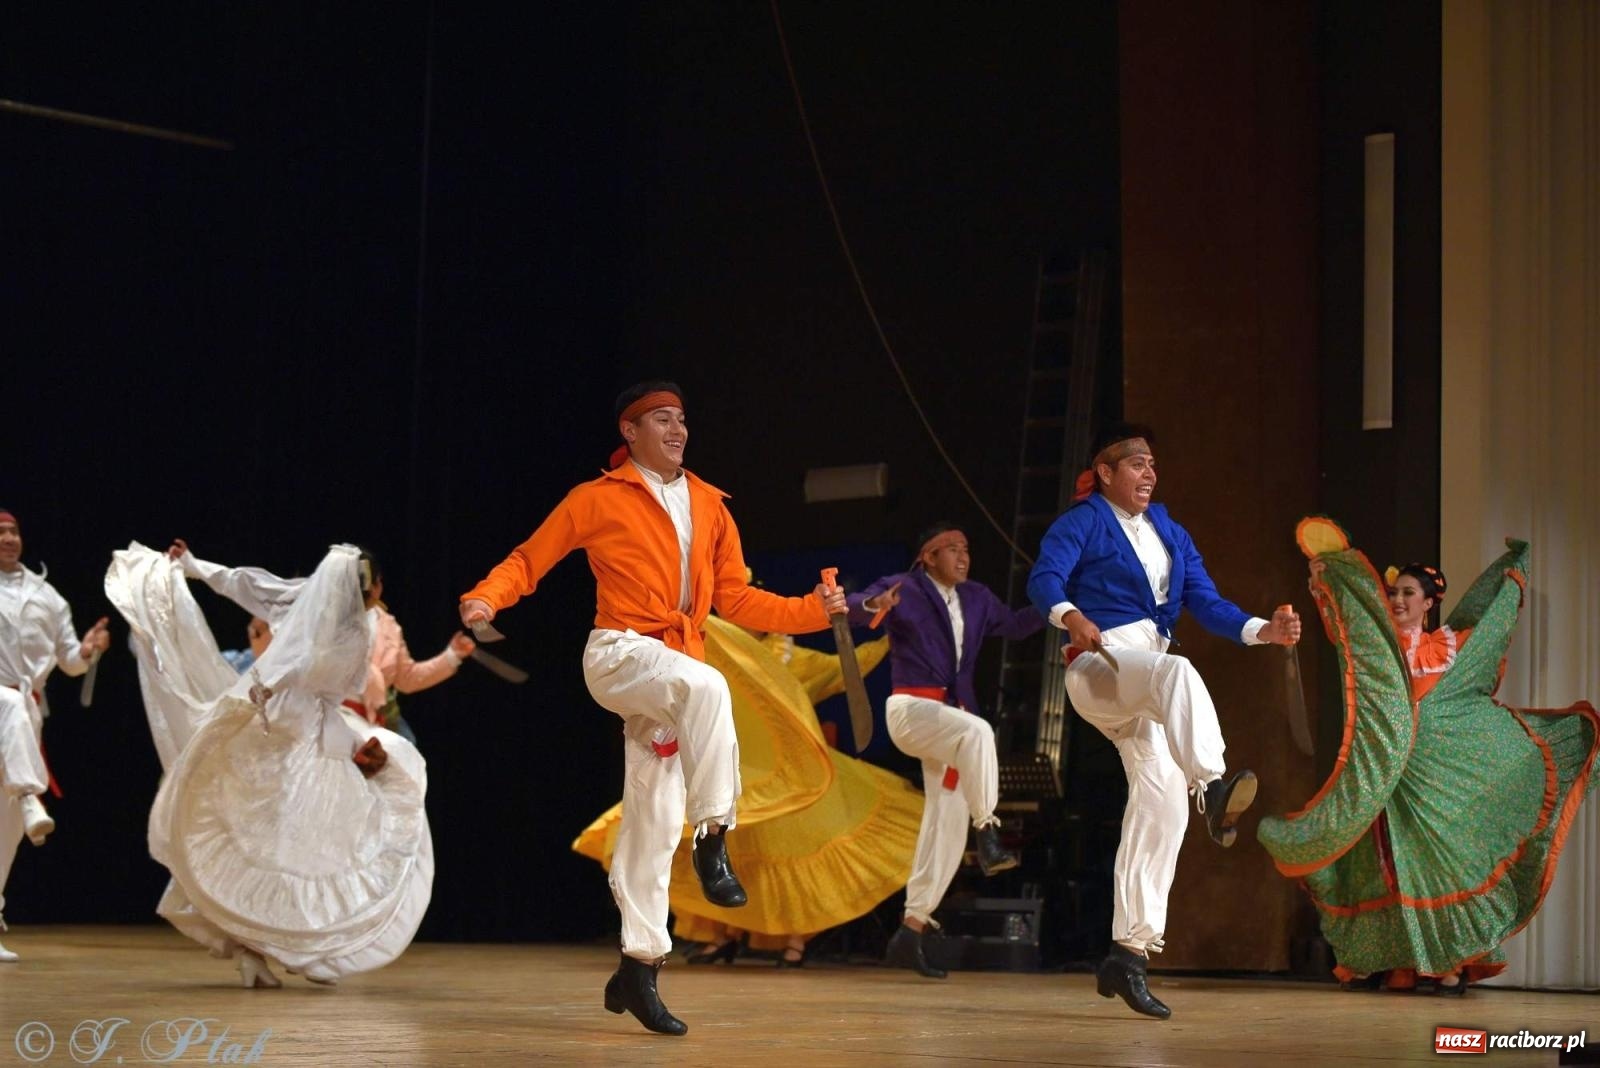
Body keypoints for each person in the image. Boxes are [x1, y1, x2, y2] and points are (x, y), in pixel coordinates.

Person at [458, 381, 844, 1035]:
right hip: (619, 655)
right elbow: (531, 558)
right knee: (709, 688)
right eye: (662, 420)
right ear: (630, 432)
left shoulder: (710, 505)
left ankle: (639, 966)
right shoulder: (596, 498)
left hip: (673, 674)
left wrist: (811, 610)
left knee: (652, 822)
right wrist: (485, 600)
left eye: (683, 420)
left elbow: (737, 600)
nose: (677, 429)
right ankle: (715, 834)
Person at [1025, 424, 1300, 1019]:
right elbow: (1042, 578)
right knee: (1176, 675)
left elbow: (1208, 602)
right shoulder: (1083, 521)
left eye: (1154, 464)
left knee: (1161, 800)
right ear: (1105, 471)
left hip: (1143, 677)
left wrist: (1263, 631)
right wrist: (1071, 615)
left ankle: (1128, 954)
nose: (1150, 473)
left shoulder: (1170, 533)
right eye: (1138, 464)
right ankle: (1216, 783)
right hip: (1100, 667)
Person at [1258, 519, 1599, 995]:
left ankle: (1447, 962)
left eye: (1408, 594)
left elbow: (1490, 628)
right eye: (1394, 592)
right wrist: (1327, 575)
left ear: (1429, 602)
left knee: (1438, 863)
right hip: (1383, 768)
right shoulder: (1377, 643)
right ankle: (1387, 961)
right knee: (1382, 867)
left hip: (1433, 774)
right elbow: (1346, 619)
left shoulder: (1451, 647)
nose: (1397, 600)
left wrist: (1511, 571)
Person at [106, 541, 433, 988]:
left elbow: (245, 585)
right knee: (280, 844)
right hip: (291, 732)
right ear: (373, 585)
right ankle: (274, 949)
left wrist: (194, 566)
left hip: (292, 727)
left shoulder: (331, 612)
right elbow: (304, 666)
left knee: (278, 842)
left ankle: (283, 950)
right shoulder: (349, 627)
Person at [572, 615, 917, 968]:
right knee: (721, 849)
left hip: (794, 774)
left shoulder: (795, 660)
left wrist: (888, 638)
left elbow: (847, 666)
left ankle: (795, 943)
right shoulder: (717, 652)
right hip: (738, 769)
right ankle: (722, 938)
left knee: (801, 846)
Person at [846, 521, 1044, 978]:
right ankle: (990, 830)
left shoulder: (976, 597)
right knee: (979, 733)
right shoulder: (906, 586)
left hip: (949, 722)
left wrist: (1058, 607)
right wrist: (876, 603)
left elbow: (1014, 625)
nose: (962, 555)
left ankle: (911, 929)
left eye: (966, 548)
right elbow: (860, 606)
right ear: (928, 557)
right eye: (951, 549)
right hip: (912, 710)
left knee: (947, 821)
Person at [169, 540, 471, 744]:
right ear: (374, 586)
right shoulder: (316, 610)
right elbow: (247, 586)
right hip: (321, 717)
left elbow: (406, 678)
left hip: (361, 723)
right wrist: (193, 565)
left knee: (404, 763)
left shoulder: (387, 629)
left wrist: (451, 656)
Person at [0, 509, 110, 963]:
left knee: (4, 831)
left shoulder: (48, 596)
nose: (8, 538)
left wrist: (88, 650)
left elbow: (69, 660)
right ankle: (30, 793)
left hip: (26, 712)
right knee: (7, 703)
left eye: (13, 531)